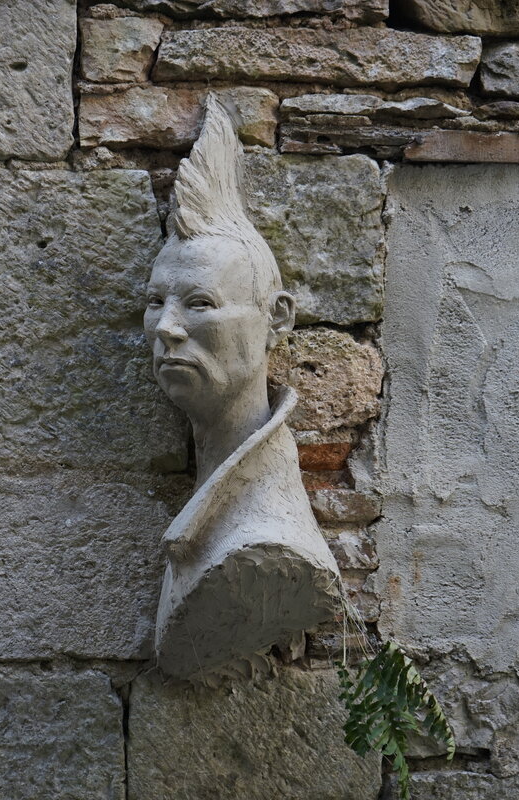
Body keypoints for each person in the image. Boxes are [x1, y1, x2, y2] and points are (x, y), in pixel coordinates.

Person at [144, 97, 343, 679]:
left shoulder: (271, 547)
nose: (166, 328)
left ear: (276, 319)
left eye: (201, 303)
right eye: (155, 302)